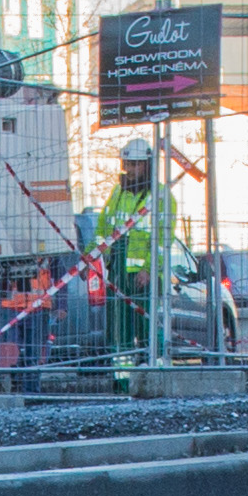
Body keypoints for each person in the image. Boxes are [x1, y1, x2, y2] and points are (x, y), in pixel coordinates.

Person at [91, 148, 179, 386]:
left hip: (144, 277)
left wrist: (150, 268)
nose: (128, 170)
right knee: (119, 332)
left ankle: (157, 378)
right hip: (117, 272)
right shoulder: (118, 192)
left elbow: (163, 240)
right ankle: (122, 382)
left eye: (135, 165)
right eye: (127, 164)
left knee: (148, 328)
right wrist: (91, 257)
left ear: (147, 166)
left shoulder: (161, 196)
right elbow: (103, 229)